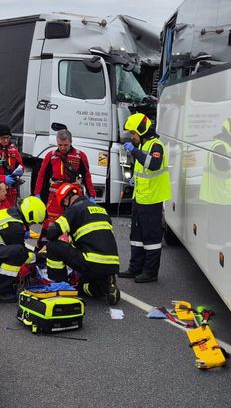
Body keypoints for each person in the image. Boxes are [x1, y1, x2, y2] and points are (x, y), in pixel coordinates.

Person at [43, 183, 120, 300]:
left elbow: (52, 234)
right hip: (112, 265)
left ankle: (61, 286)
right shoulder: (102, 210)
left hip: (91, 262)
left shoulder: (74, 209)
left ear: (66, 199)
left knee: (53, 246)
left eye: (63, 205)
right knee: (82, 287)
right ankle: (106, 286)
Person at [119, 113, 170, 283]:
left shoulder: (156, 146)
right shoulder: (145, 145)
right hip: (139, 198)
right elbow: (143, 171)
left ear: (141, 131)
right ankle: (135, 268)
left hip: (152, 201)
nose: (132, 137)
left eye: (133, 133)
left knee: (152, 239)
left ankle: (150, 273)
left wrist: (134, 151)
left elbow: (154, 165)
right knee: (136, 236)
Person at [34, 129, 97, 241]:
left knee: (74, 223)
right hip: (55, 196)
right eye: (60, 145)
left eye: (65, 145)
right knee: (50, 225)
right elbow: (42, 175)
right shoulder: (51, 156)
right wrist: (37, 194)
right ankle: (44, 251)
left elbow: (87, 175)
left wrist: (92, 195)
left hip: (73, 195)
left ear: (71, 141)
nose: (62, 148)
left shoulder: (80, 156)